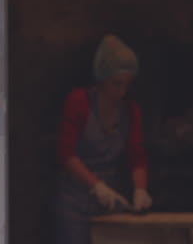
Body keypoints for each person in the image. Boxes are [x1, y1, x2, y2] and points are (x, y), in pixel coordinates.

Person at [55, 35, 152, 244]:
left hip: (109, 205)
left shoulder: (130, 111)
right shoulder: (79, 102)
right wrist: (97, 186)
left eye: (127, 85)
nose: (122, 91)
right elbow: (66, 153)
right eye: (116, 84)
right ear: (101, 78)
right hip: (75, 204)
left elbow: (137, 156)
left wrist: (140, 189)